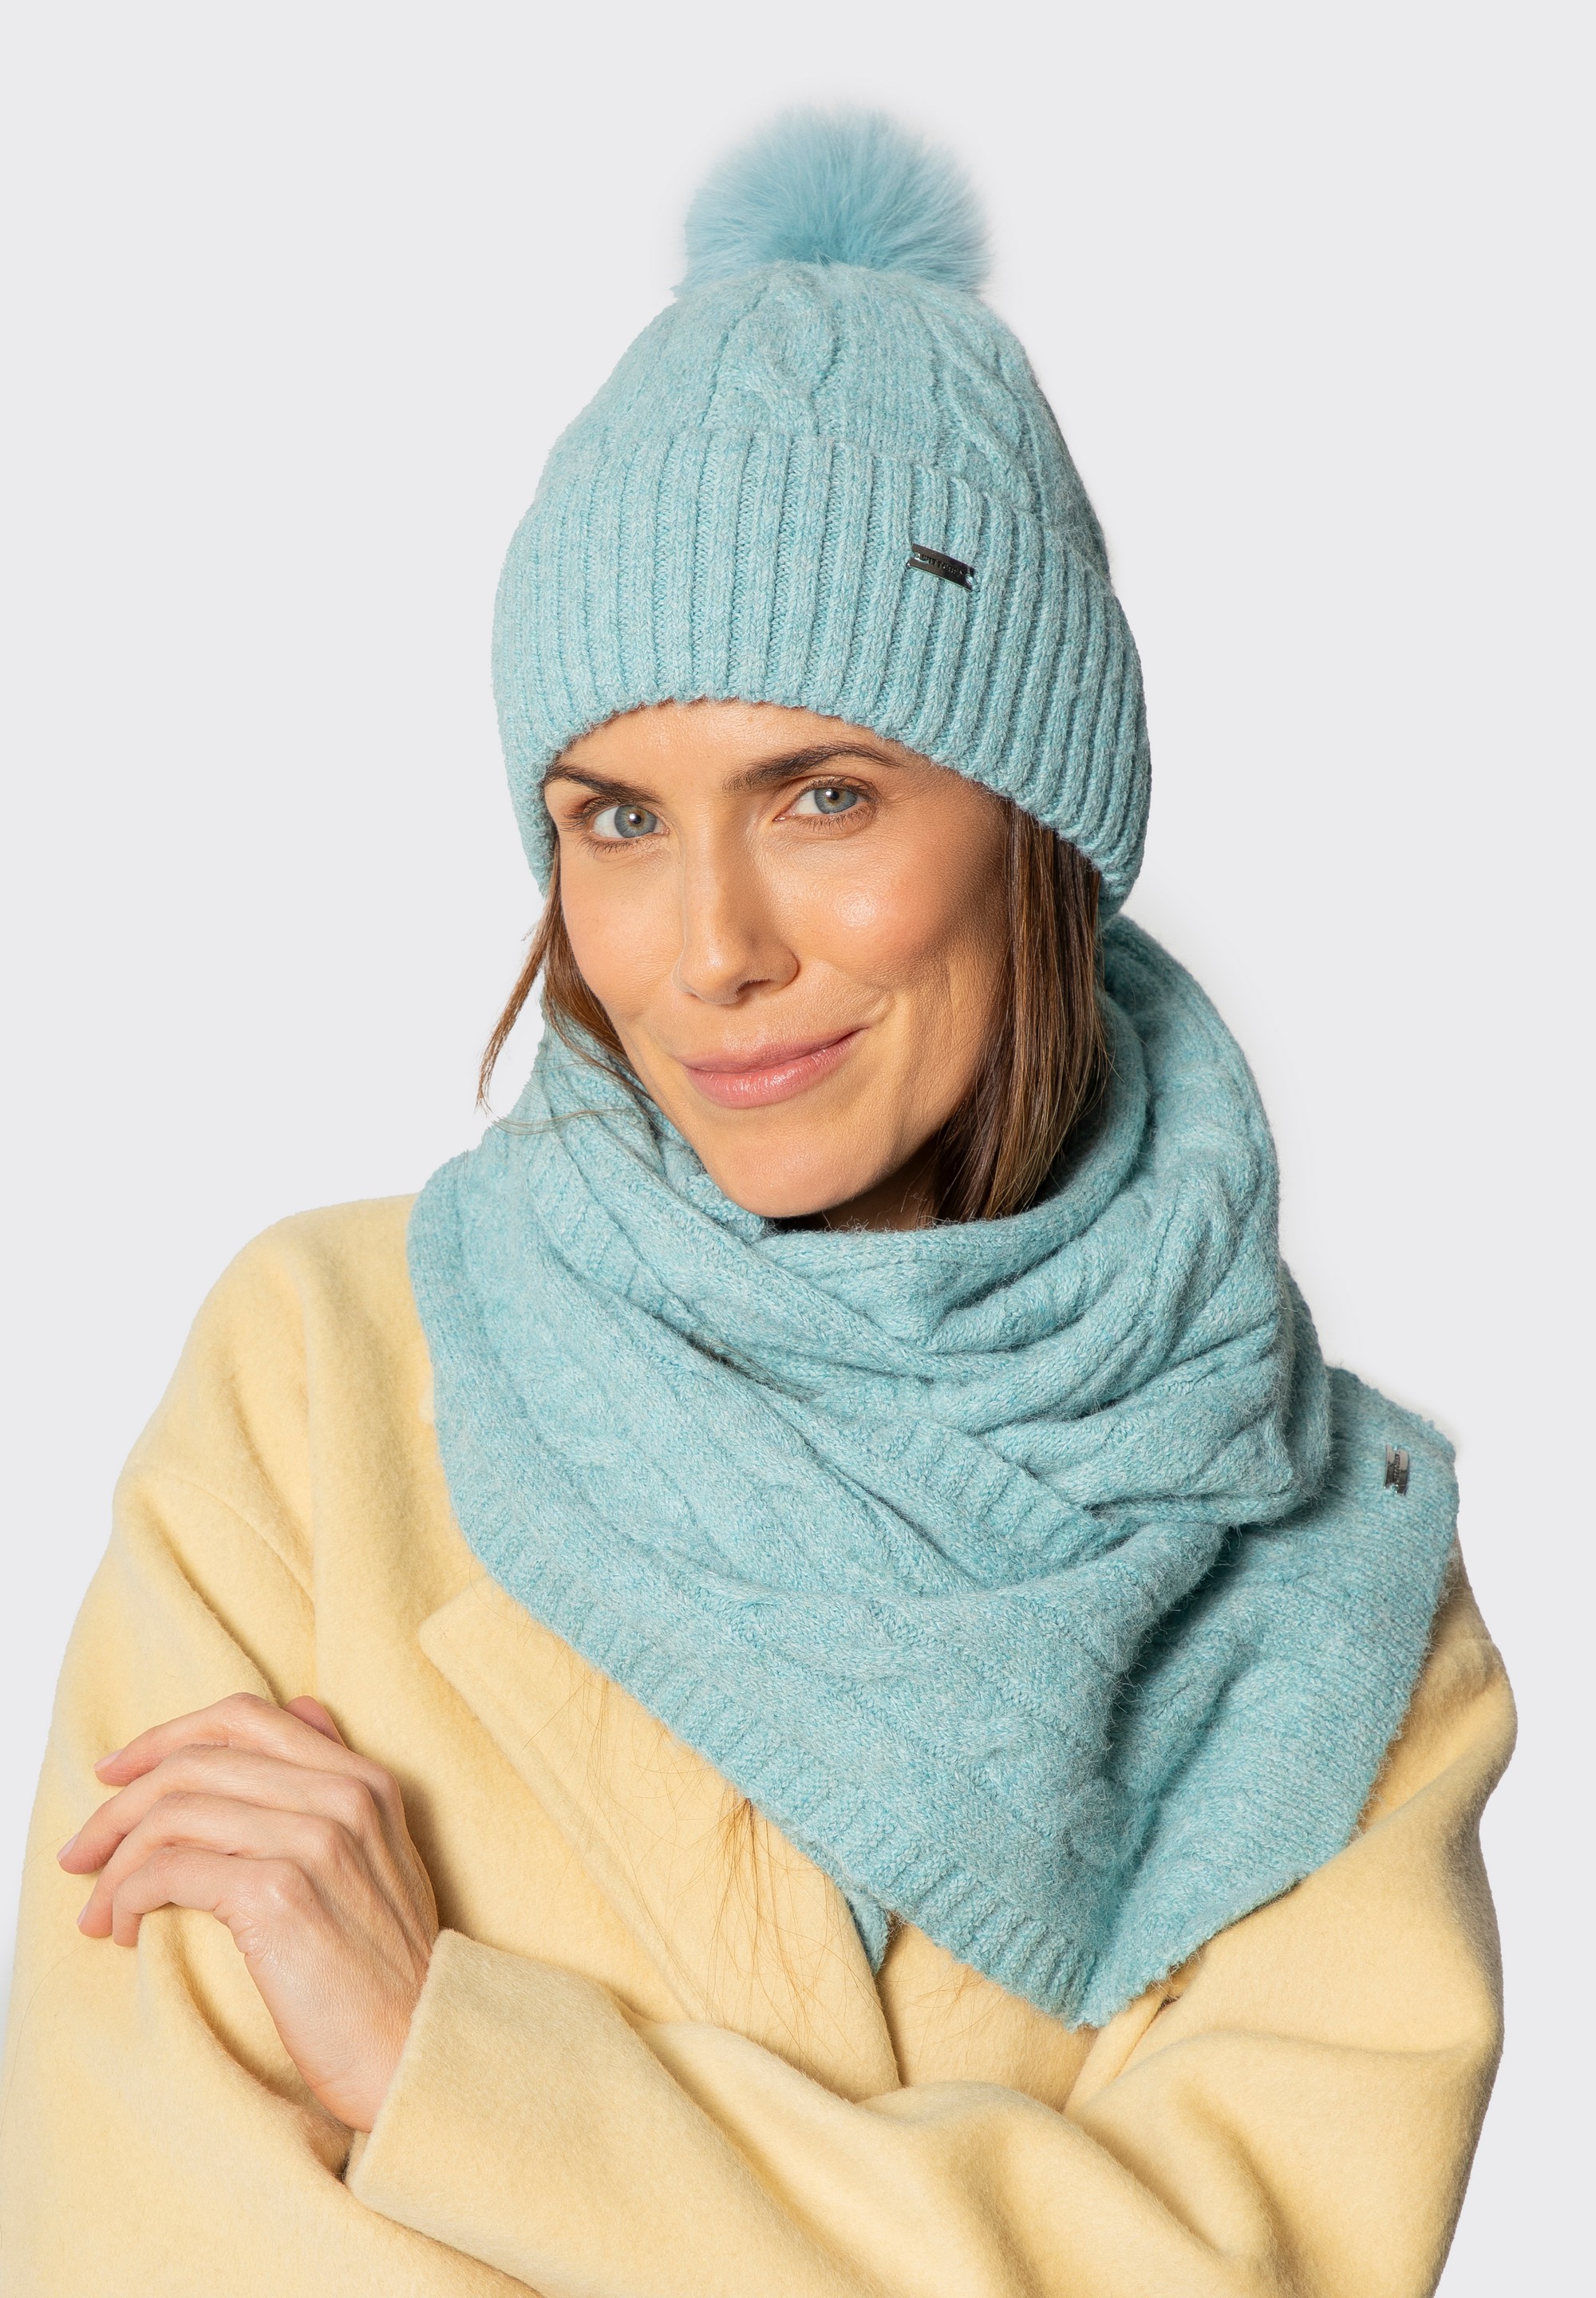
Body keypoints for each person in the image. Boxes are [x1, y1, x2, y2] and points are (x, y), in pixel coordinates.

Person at [0, 110, 1511, 2296]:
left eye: (824, 794)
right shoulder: (320, 1382)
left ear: (1034, 824)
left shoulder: (1336, 1585)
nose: (710, 948)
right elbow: (146, 2233)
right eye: (616, 818)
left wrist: (445, 2072)